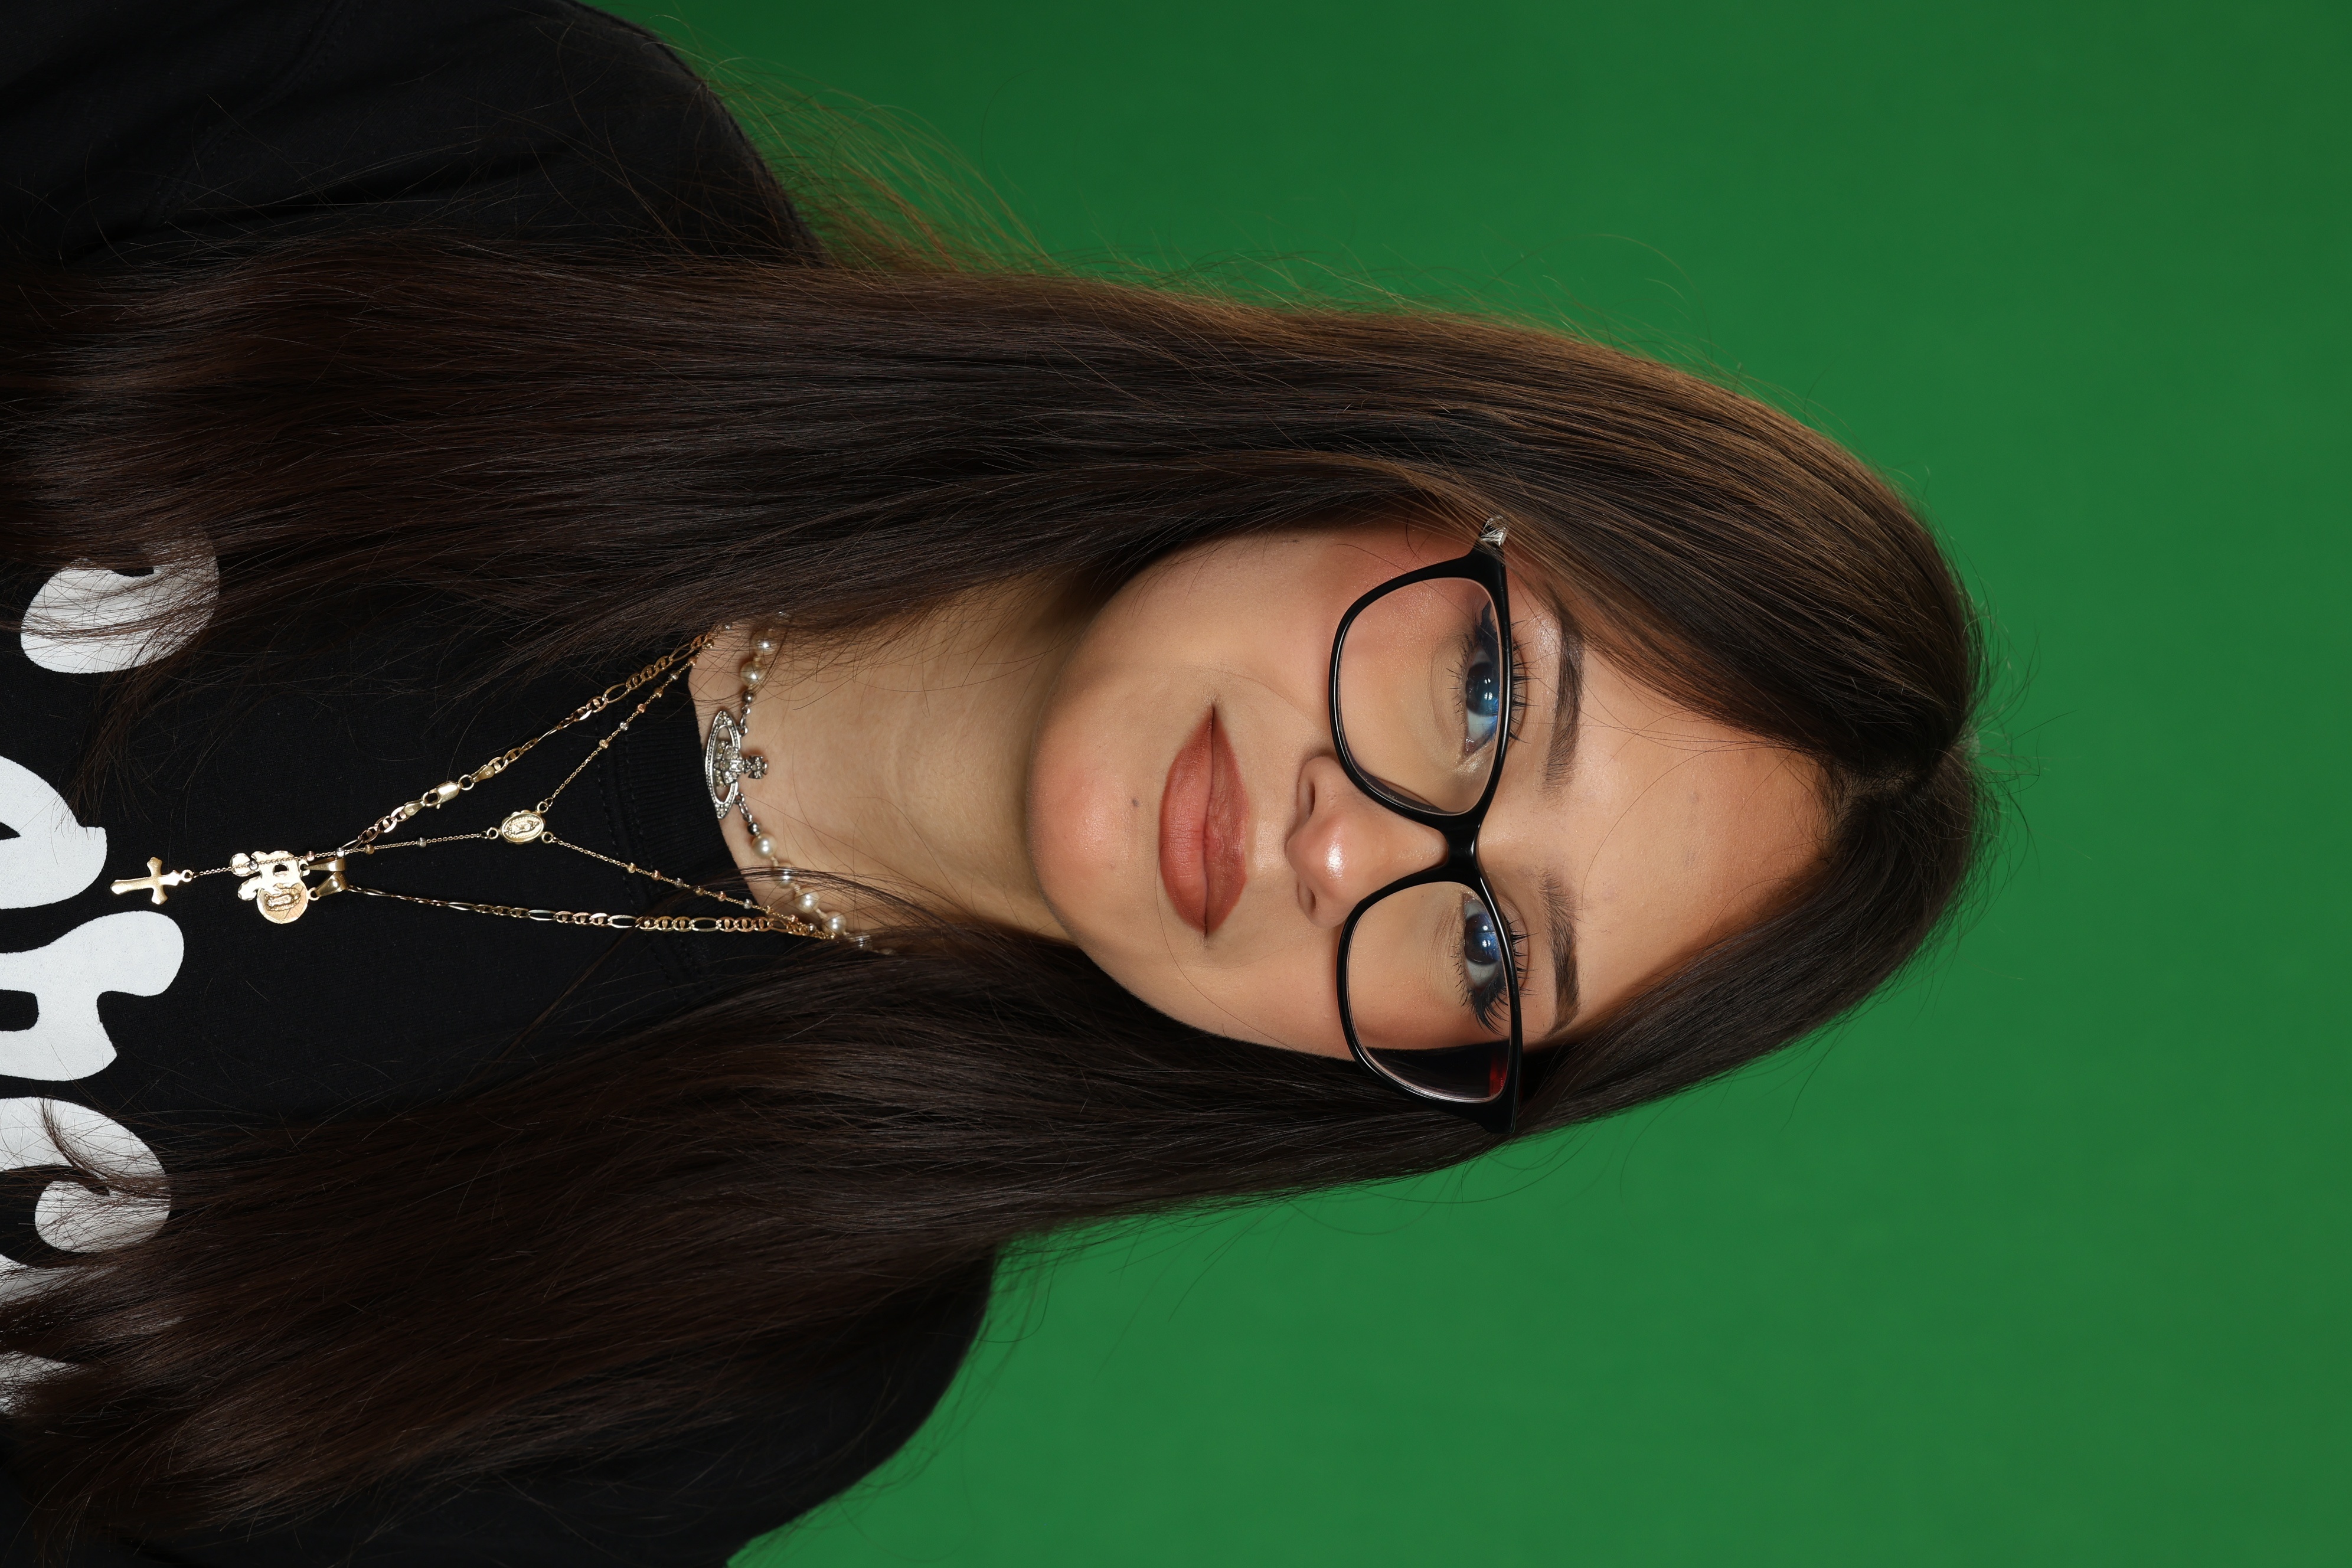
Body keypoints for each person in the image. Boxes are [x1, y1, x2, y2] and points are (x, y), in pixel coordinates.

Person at [0, 2, 1990, 1563]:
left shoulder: (741, 1373)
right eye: (1483, 701)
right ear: (1419, 467)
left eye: (1485, 950)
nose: (1344, 844)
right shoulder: (520, 169)